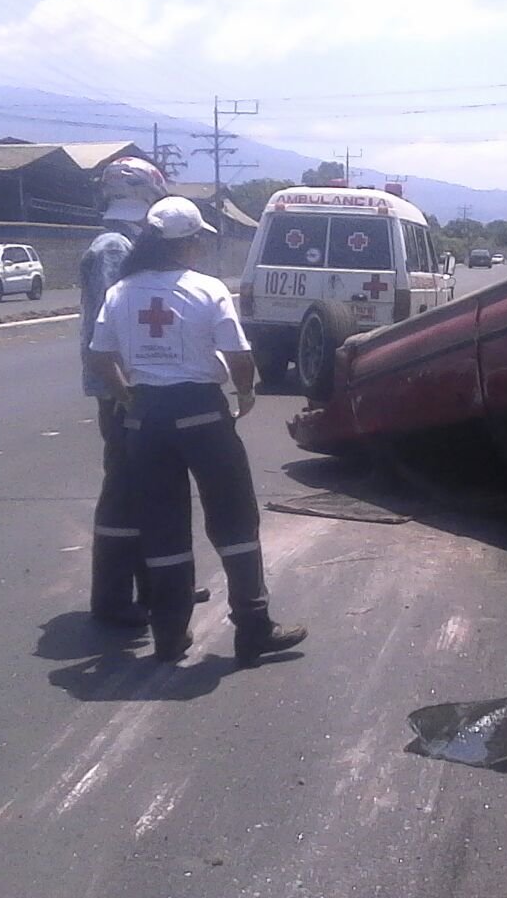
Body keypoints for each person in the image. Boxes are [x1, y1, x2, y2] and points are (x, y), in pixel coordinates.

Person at [88, 196, 307, 665]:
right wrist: (245, 394)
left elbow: (100, 355)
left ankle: (169, 634)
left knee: (162, 524)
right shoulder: (207, 289)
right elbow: (239, 355)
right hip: (201, 414)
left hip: (146, 419)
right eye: (198, 241)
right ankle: (253, 626)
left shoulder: (121, 291)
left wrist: (126, 395)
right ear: (187, 243)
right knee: (234, 518)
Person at [80, 157, 209, 626]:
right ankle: (113, 599)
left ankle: (159, 587)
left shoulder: (123, 242)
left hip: (136, 387)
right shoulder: (113, 248)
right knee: (123, 489)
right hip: (124, 389)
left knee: (145, 487)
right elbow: (114, 324)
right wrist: (124, 389)